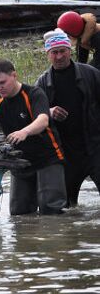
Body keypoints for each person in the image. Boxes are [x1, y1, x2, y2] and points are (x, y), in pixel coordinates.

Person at [0, 58, 67, 215]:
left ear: (14, 75)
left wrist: (24, 131)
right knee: (19, 213)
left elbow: (43, 120)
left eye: (2, 82)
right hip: (19, 162)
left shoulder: (34, 93)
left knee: (51, 210)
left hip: (48, 159)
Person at [35, 29, 100, 207]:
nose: (59, 56)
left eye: (62, 51)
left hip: (95, 147)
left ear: (69, 50)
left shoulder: (90, 73)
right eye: (54, 52)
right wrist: (49, 111)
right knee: (68, 208)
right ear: (48, 54)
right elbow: (34, 114)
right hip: (67, 153)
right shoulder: (42, 83)